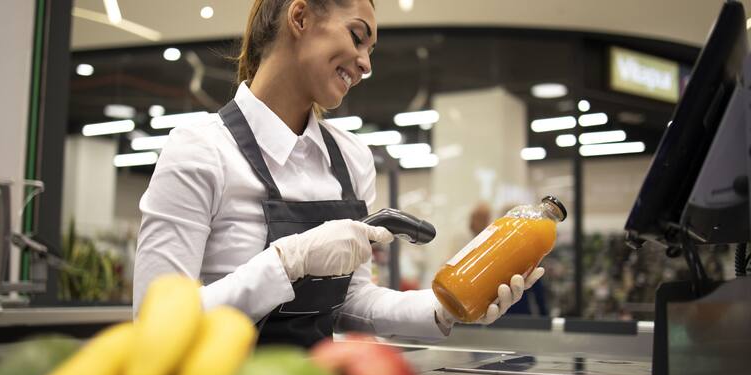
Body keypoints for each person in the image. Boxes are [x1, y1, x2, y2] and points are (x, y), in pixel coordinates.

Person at [133, 0, 544, 347]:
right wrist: (286, 261)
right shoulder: (201, 150)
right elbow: (155, 327)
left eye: (371, 49)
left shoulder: (352, 157)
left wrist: (444, 308)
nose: (366, 64)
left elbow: (352, 302)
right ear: (300, 18)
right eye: (357, 36)